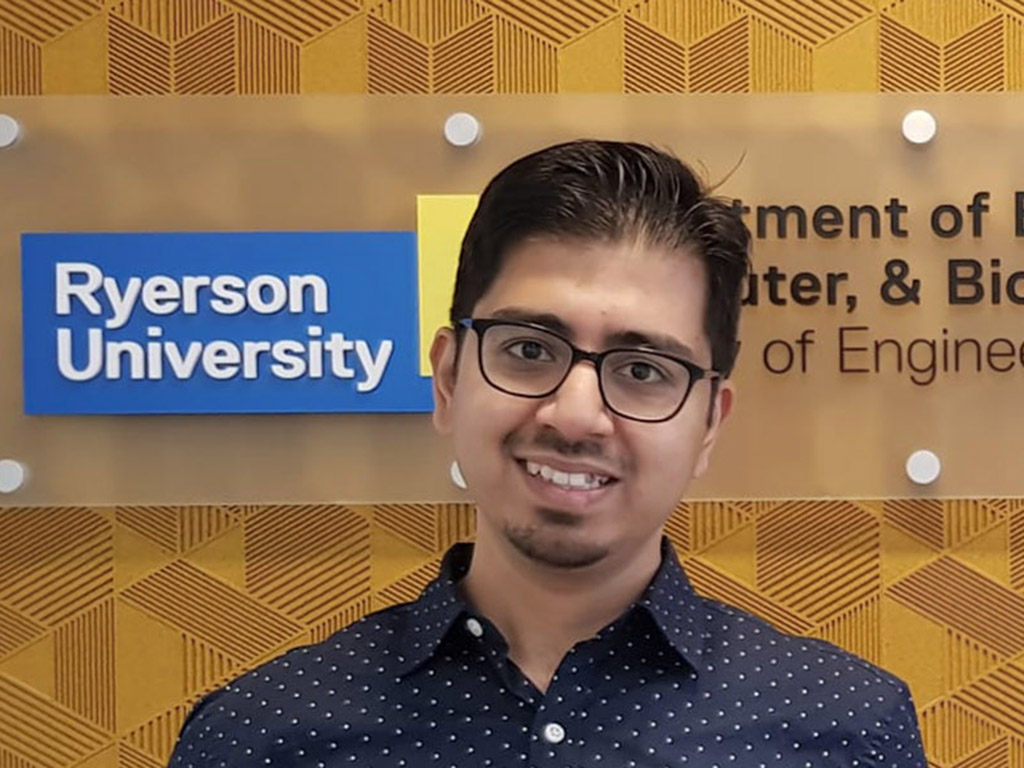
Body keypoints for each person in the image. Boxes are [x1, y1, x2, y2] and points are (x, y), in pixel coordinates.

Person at [169, 140, 927, 767]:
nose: (575, 415)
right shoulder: (260, 736)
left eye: (642, 371)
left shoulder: (845, 732)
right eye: (531, 349)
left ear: (709, 425)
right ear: (448, 379)